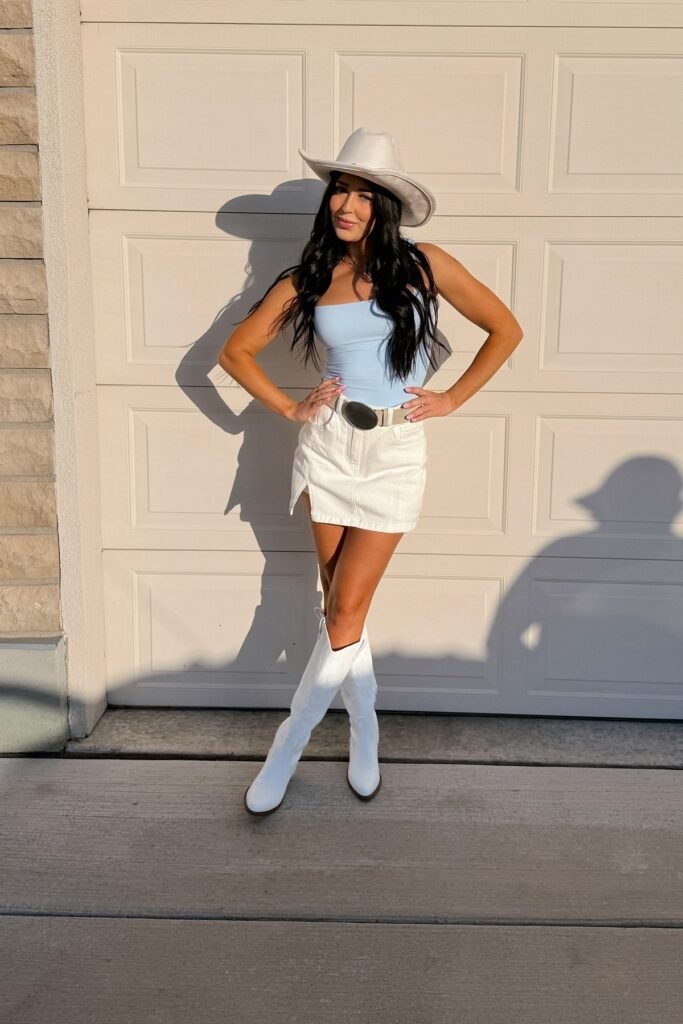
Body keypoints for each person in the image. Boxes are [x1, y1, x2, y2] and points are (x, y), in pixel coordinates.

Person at [218, 127, 524, 815]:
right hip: (329, 446)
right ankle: (364, 730)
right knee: (339, 609)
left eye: (362, 193)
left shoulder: (424, 265)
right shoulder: (309, 279)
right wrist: (291, 409)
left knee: (347, 607)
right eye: (339, 191)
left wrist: (451, 398)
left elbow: (505, 328)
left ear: (384, 204)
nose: (346, 204)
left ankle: (287, 748)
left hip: (391, 453)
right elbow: (236, 352)